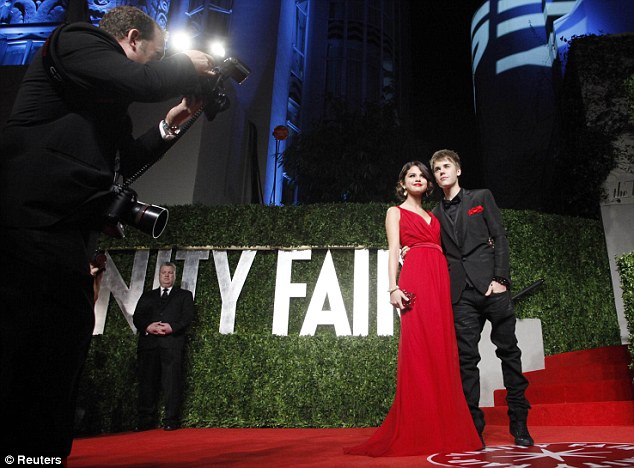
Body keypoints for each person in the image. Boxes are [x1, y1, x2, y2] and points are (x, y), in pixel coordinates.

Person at [0, 6, 214, 458]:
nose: (155, 67)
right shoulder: (75, 41)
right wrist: (184, 64)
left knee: (61, 349)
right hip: (25, 224)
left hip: (67, 234)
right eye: (154, 57)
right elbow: (143, 82)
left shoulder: (107, 102)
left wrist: (171, 123)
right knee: (23, 350)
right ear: (132, 39)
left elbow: (124, 164)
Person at [344, 161, 482, 457]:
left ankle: (445, 426)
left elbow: (451, 249)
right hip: (416, 279)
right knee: (418, 350)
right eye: (411, 175)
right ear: (403, 183)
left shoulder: (435, 217)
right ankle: (420, 428)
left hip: (439, 280)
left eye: (422, 175)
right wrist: (393, 287)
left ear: (428, 183)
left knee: (442, 349)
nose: (418, 179)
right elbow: (394, 249)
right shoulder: (395, 212)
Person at [428, 149, 533, 447]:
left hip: (492, 288)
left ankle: (519, 422)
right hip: (460, 295)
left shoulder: (481, 197)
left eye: (446, 166)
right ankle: (473, 427)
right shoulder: (434, 215)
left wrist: (501, 279)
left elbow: (499, 236)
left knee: (509, 353)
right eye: (436, 169)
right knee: (466, 361)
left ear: (458, 170)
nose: (441, 172)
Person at [132, 262, 194, 431]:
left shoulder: (185, 295)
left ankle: (171, 420)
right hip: (149, 345)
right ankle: (146, 420)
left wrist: (171, 327)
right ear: (159, 275)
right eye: (164, 273)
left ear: (175, 276)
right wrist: (148, 326)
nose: (167, 276)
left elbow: (187, 317)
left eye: (170, 273)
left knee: (172, 383)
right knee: (147, 383)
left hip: (172, 345)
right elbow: (137, 317)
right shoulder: (147, 296)